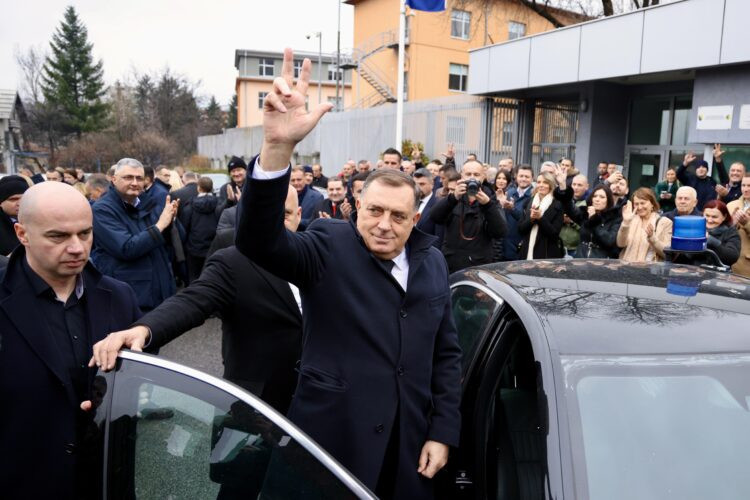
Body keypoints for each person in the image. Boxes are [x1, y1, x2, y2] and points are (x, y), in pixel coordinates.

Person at [234, 49, 461, 499]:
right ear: (356, 207)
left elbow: (446, 355)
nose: (384, 224)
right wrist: (278, 149)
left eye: (398, 216)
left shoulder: (433, 261)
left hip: (407, 449)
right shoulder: (327, 245)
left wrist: (443, 430)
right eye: (374, 210)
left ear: (415, 220)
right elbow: (258, 241)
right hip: (331, 446)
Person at [90, 185, 304, 417]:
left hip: (314, 396)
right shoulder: (234, 260)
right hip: (255, 400)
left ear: (299, 214)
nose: (275, 224)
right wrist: (144, 329)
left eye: (285, 215)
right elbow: (194, 300)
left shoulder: (317, 254)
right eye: (267, 215)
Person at [0, 181, 141, 499]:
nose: (77, 247)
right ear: (22, 234)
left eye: (85, 233)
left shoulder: (120, 297)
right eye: (58, 236)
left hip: (105, 481)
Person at [91, 158, 178, 311]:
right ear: (114, 179)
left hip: (159, 290)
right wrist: (160, 225)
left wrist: (169, 222)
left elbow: (162, 243)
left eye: (139, 178)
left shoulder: (146, 203)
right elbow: (127, 248)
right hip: (132, 297)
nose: (135, 183)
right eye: (128, 177)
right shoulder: (102, 209)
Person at [429, 159, 507, 273]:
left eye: (476, 174)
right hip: (452, 264)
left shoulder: (490, 199)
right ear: (461, 176)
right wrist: (453, 198)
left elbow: (500, 231)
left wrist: (488, 205)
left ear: (483, 177)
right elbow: (435, 217)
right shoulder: (455, 197)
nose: (472, 178)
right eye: (468, 174)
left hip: (479, 266)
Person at [182, 177, 222, 281]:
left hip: (194, 248)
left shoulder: (190, 206)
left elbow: (185, 227)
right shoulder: (219, 204)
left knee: (194, 278)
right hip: (213, 247)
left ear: (198, 188)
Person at [617, 187, 673, 262]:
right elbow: (620, 244)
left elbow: (667, 254)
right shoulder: (630, 220)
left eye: (643, 203)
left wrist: (652, 238)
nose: (639, 207)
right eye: (636, 204)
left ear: (652, 204)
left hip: (650, 268)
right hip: (627, 267)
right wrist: (625, 223)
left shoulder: (665, 223)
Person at [518, 172, 564, 260]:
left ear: (551, 185)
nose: (541, 185)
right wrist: (531, 219)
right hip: (526, 253)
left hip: (547, 254)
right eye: (539, 182)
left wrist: (540, 218)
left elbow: (554, 234)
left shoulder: (557, 205)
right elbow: (520, 229)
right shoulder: (528, 202)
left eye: (545, 182)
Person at [574, 185, 622, 258]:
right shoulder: (584, 213)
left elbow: (609, 241)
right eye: (595, 196)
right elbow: (569, 208)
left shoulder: (615, 218)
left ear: (608, 200)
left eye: (602, 197)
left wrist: (594, 220)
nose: (597, 199)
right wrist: (563, 186)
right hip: (580, 258)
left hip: (600, 261)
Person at [676, 145, 728, 211]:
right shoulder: (690, 179)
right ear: (695, 170)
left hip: (708, 212)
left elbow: (724, 179)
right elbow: (678, 174)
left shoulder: (712, 181)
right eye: (698, 167)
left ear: (707, 170)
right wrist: (685, 163)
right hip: (693, 212)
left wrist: (718, 160)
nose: (701, 169)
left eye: (703, 167)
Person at [502, 165, 534, 260]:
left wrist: (512, 209)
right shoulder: (509, 192)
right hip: (505, 242)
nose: (523, 179)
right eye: (521, 176)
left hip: (521, 244)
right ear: (516, 177)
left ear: (532, 178)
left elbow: (527, 220)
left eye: (527, 177)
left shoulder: (534, 196)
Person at [0, 175, 29, 255]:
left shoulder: (39, 219)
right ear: (1, 202)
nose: (20, 203)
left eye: (24, 198)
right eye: (14, 199)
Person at [727, 174, 750, 277]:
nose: (745, 189)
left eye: (749, 186)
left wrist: (747, 223)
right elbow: (721, 232)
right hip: (730, 261)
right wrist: (732, 224)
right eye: (743, 185)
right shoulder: (731, 205)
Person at [413, 168, 442, 249]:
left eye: (422, 184)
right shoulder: (408, 202)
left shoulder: (438, 205)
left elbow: (438, 238)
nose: (417, 188)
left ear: (432, 184)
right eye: (415, 184)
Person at [290, 164, 323, 229]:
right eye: (293, 180)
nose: (296, 183)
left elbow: (317, 221)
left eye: (299, 179)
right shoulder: (284, 196)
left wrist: (296, 221)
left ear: (305, 179)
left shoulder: (317, 197)